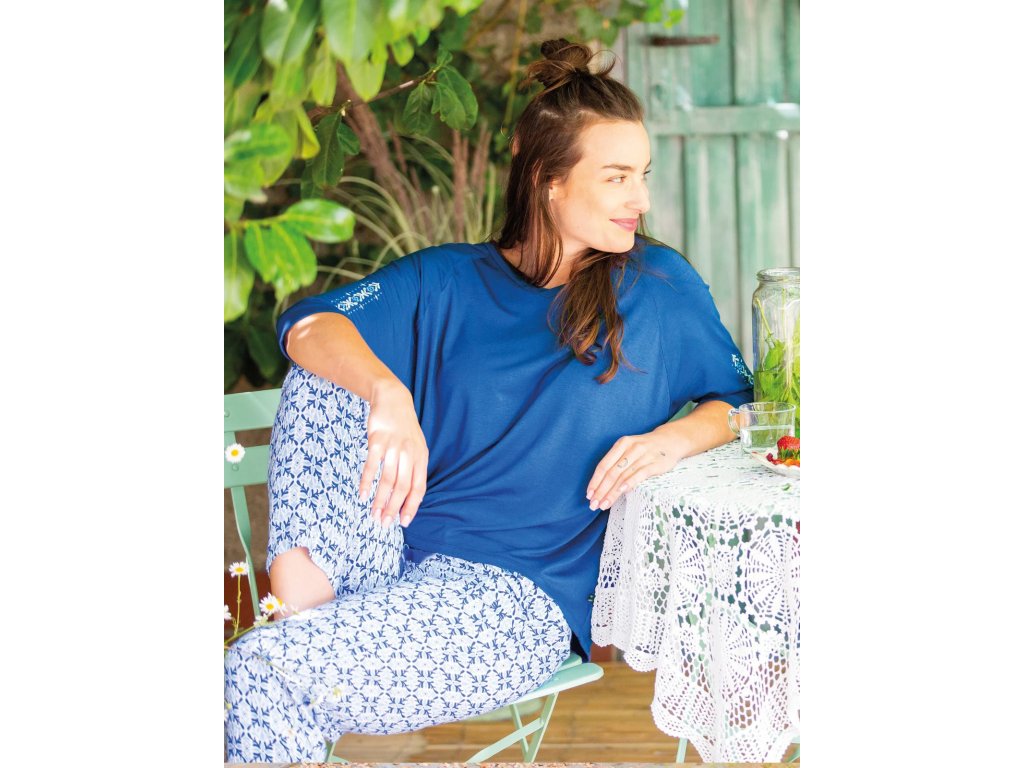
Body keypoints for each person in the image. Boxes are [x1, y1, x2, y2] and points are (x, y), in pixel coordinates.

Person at [224, 38, 754, 763]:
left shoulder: (657, 286)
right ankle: (308, 613)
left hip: (513, 601)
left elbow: (742, 404)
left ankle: (300, 644)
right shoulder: (448, 279)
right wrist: (387, 393)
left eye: (643, 176)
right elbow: (307, 325)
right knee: (330, 366)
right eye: (618, 178)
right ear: (547, 180)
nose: (642, 200)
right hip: (383, 559)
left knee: (260, 671)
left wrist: (672, 440)